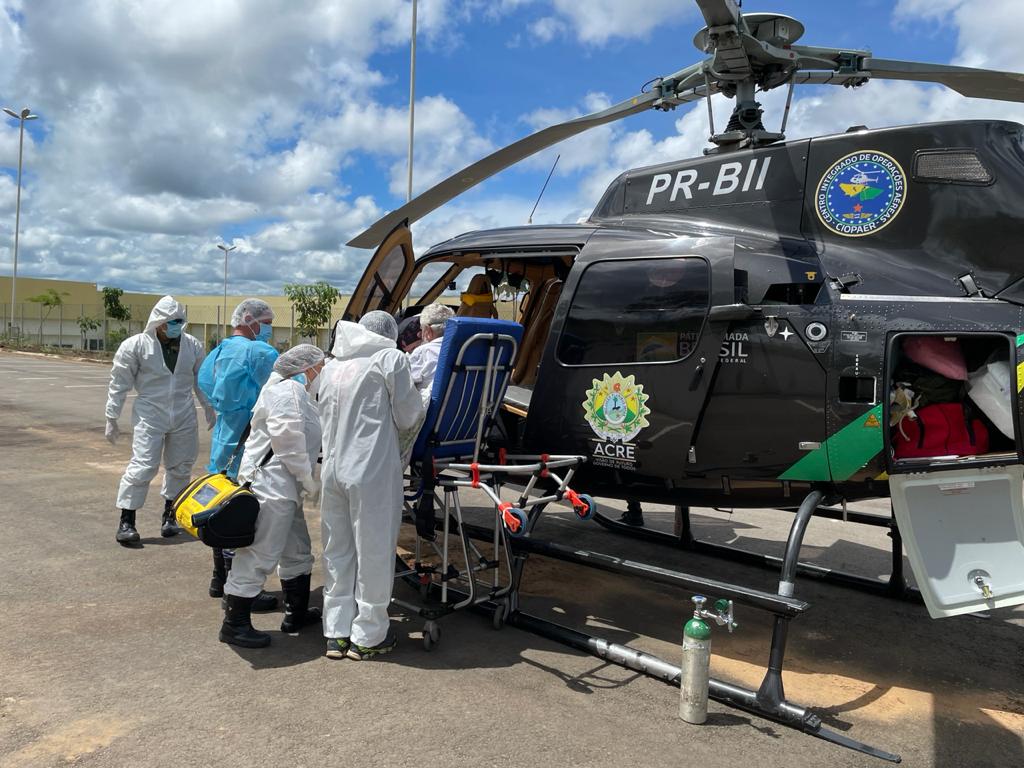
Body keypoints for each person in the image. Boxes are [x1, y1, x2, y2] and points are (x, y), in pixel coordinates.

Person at [318, 311, 424, 660]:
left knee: (338, 550)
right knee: (374, 551)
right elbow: (409, 415)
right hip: (370, 472)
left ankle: (336, 632)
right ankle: (369, 634)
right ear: (390, 334)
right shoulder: (389, 359)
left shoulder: (333, 364)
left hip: (333, 470)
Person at [219, 344, 326, 648]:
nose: (322, 373)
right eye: (321, 367)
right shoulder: (287, 391)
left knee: (297, 549)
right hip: (272, 486)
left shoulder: (292, 391)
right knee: (258, 554)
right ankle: (234, 624)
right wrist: (307, 478)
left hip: (284, 487)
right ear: (308, 368)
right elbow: (288, 439)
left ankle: (296, 612)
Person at [105, 296, 214, 545]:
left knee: (181, 465)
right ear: (159, 322)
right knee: (144, 465)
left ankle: (171, 516)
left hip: (183, 411)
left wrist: (209, 406)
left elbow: (202, 379)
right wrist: (111, 416)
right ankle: (127, 520)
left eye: (180, 321)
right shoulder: (136, 346)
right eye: (172, 321)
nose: (177, 326)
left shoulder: (193, 346)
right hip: (150, 412)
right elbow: (119, 383)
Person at [198, 298, 279, 606]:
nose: (269, 328)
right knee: (244, 518)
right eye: (267, 322)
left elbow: (205, 384)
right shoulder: (260, 353)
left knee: (222, 511)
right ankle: (239, 588)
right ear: (250, 319)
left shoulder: (219, 351)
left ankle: (219, 578)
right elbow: (288, 387)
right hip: (250, 444)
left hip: (223, 440)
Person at [408, 303, 454, 400]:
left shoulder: (423, 352)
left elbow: (405, 385)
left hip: (429, 411)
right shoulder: (465, 349)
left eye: (422, 329)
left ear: (428, 331)